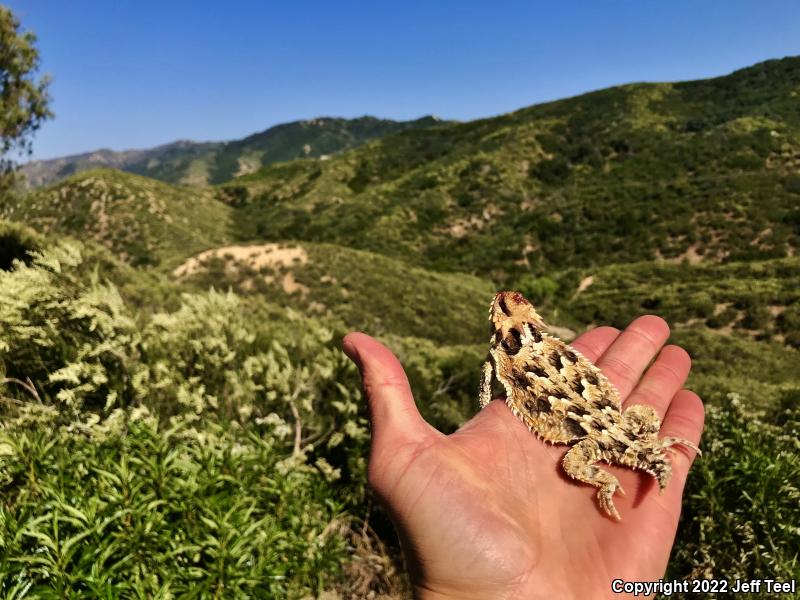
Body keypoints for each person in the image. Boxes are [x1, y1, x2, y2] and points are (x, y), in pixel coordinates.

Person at [343, 315, 704, 599]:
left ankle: (613, 476)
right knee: (641, 416)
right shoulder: (547, 345)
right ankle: (653, 448)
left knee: (571, 463)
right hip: (612, 420)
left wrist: (484, 414)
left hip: (593, 433)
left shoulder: (500, 356)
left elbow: (485, 392)